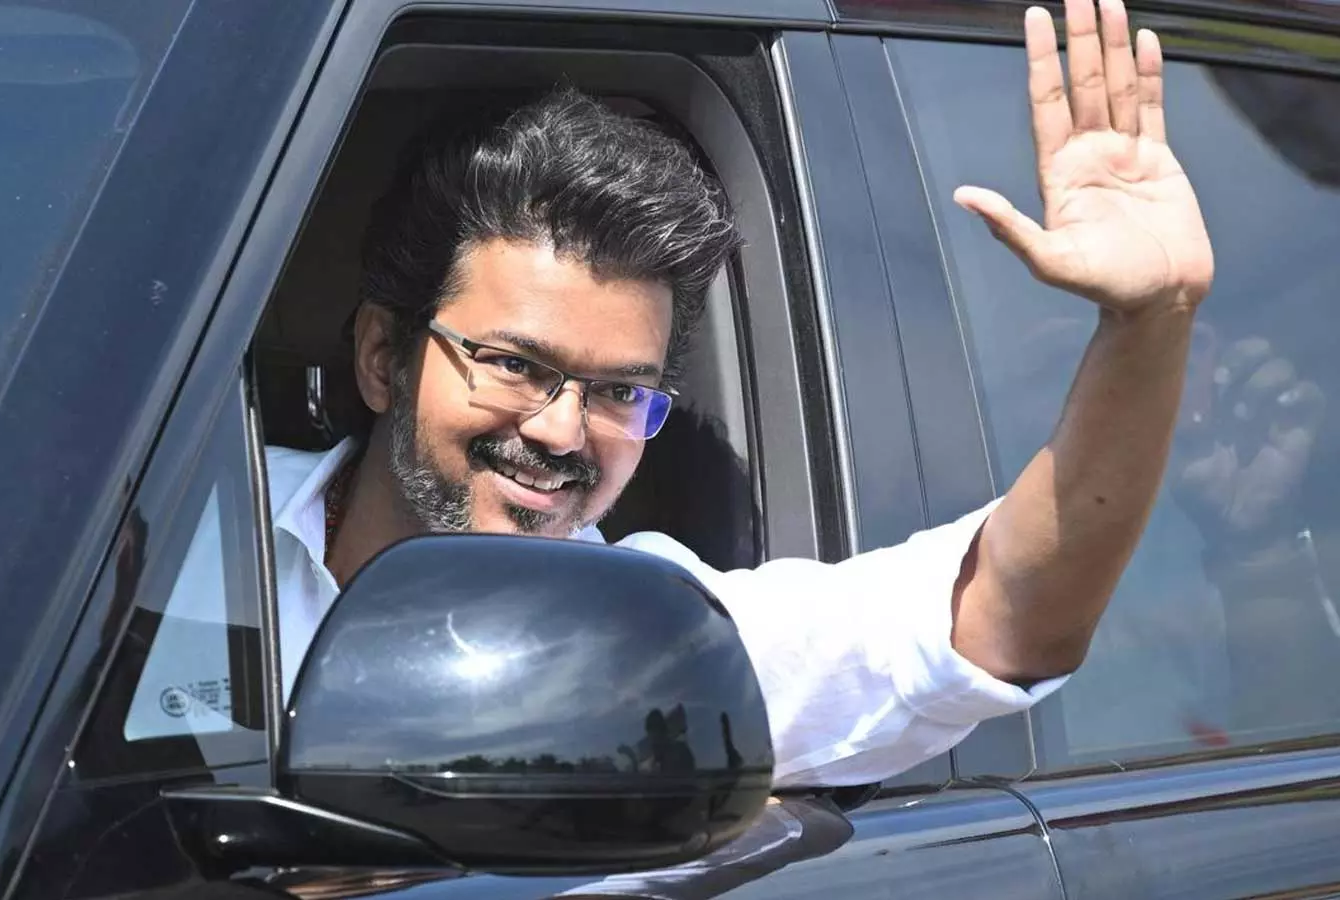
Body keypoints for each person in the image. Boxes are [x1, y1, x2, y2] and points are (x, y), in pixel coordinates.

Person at [139, 0, 1215, 789]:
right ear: (385, 356)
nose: (561, 430)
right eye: (515, 364)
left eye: (619, 391)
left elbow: (1001, 616)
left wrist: (1149, 325)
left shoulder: (656, 644)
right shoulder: (161, 538)